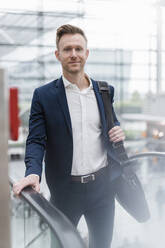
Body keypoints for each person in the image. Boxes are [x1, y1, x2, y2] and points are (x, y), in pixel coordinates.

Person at [13, 24, 125, 248]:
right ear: (58, 54)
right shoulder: (43, 96)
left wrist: (118, 131)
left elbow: (109, 124)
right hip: (66, 193)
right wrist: (33, 173)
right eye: (67, 49)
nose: (73, 54)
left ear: (86, 53)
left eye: (78, 48)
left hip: (103, 190)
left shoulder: (105, 91)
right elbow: (36, 140)